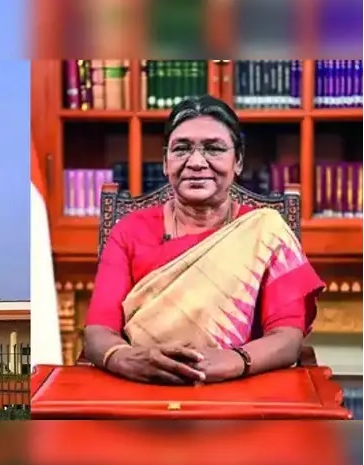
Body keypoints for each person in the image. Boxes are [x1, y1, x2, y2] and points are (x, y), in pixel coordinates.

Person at [83, 95, 324, 385]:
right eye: (181, 149)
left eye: (214, 149)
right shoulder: (129, 232)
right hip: (143, 384)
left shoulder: (265, 231)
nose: (196, 162)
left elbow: (286, 337)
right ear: (165, 162)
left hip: (240, 386)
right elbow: (98, 332)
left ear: (237, 161)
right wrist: (126, 359)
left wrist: (236, 360)